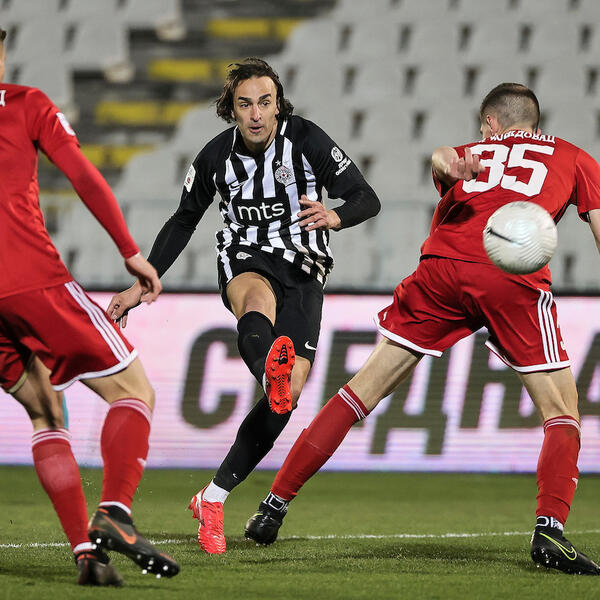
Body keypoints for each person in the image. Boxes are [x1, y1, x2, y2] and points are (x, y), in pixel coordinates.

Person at [245, 83, 600, 576]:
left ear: (491, 124)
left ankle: (272, 507)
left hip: (441, 269)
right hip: (510, 276)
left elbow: (441, 159)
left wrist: (446, 160)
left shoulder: (472, 152)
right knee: (561, 411)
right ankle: (549, 531)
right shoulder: (576, 158)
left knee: (359, 392)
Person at [108, 57, 381, 554]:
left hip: (304, 268)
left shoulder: (308, 141)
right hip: (244, 255)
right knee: (255, 298)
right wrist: (143, 279)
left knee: (288, 396)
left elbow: (367, 197)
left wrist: (335, 217)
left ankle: (212, 498)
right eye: (245, 104)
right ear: (230, 109)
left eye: (264, 103)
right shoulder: (215, 157)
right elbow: (184, 219)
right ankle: (268, 372)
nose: (256, 113)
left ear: (278, 106)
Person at [0, 28, 179, 584]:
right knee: (134, 391)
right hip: (28, 279)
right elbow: (81, 174)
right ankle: (116, 512)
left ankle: (88, 556)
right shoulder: (24, 103)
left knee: (44, 412)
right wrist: (130, 252)